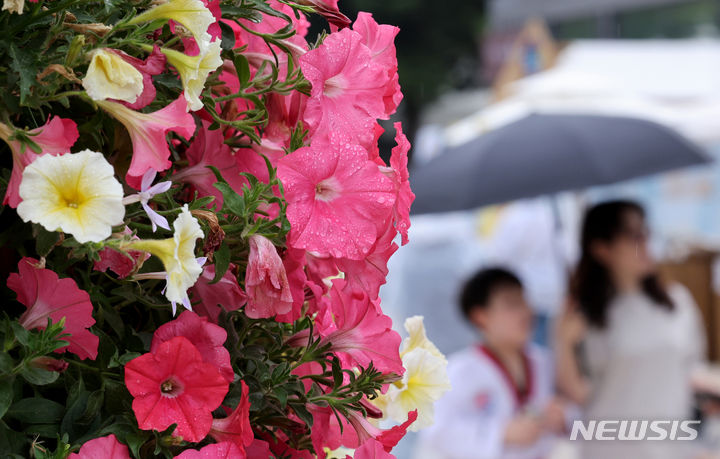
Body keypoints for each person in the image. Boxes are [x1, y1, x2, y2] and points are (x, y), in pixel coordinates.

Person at [555, 200, 706, 459]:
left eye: (646, 232)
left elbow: (692, 369)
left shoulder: (677, 302)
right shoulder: (580, 315)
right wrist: (564, 344)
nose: (645, 243)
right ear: (602, 249)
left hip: (670, 443)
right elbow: (576, 393)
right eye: (633, 235)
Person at [418, 267, 566, 459]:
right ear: (481, 316)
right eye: (512, 304)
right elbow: (436, 432)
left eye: (524, 301)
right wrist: (501, 433)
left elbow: (575, 415)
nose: (526, 311)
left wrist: (562, 419)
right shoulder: (459, 371)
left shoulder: (544, 363)